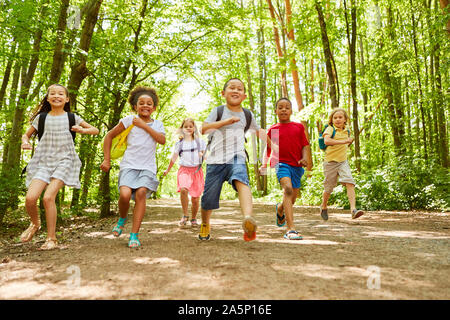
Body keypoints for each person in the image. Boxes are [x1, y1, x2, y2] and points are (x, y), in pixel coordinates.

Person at [20, 84, 99, 250]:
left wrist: (82, 130)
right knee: (30, 199)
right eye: (53, 94)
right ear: (48, 99)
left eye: (61, 94)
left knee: (48, 198)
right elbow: (25, 135)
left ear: (67, 99)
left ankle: (51, 239)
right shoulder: (41, 118)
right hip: (43, 161)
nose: (57, 96)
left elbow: (95, 130)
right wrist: (25, 142)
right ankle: (35, 224)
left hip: (65, 160)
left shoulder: (72, 117)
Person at [198, 78, 273, 242]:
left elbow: (258, 131)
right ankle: (205, 223)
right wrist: (226, 121)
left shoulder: (247, 114)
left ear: (244, 96)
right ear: (223, 93)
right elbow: (203, 129)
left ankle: (248, 218)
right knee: (208, 199)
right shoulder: (218, 111)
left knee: (242, 180)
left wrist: (272, 144)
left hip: (236, 156)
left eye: (239, 89)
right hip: (215, 161)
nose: (235, 90)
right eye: (232, 87)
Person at [100, 86, 166, 248]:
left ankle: (134, 235)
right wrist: (106, 160)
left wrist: (143, 126)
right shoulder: (128, 120)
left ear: (154, 108)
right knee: (124, 195)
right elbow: (109, 136)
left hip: (148, 167)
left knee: (141, 194)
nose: (145, 106)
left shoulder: (157, 124)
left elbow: (162, 140)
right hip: (129, 165)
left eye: (149, 103)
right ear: (135, 106)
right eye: (141, 103)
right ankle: (122, 218)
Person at [259, 98, 311, 240]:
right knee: (287, 189)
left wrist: (304, 158)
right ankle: (291, 229)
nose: (283, 110)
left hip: (297, 166)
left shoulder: (298, 127)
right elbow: (268, 149)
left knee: (292, 198)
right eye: (280, 107)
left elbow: (304, 145)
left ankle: (281, 208)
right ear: (276, 111)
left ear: (291, 111)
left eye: (287, 107)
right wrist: (264, 164)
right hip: (280, 164)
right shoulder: (273, 129)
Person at [319, 108, 363, 220]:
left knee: (350, 183)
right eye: (335, 117)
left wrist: (348, 141)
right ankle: (323, 206)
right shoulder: (330, 129)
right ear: (332, 120)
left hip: (343, 161)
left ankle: (353, 210)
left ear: (345, 119)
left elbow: (346, 144)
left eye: (340, 117)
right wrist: (344, 141)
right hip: (330, 162)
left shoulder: (347, 130)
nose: (338, 120)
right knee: (329, 188)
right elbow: (327, 141)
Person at [163, 118, 206, 228]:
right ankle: (185, 215)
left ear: (194, 128)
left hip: (196, 171)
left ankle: (194, 218)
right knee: (183, 189)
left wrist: (202, 156)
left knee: (195, 199)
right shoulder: (179, 144)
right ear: (182, 129)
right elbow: (173, 158)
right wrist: (167, 169)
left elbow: (204, 155)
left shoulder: (200, 142)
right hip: (184, 170)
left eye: (190, 126)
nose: (188, 128)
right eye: (185, 126)